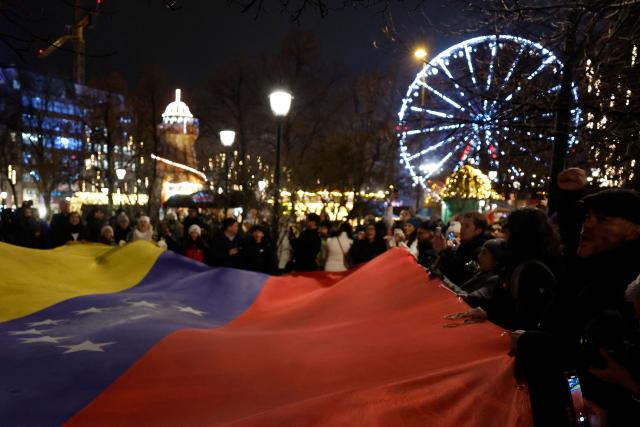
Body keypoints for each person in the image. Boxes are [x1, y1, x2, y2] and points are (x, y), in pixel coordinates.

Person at [515, 177, 640, 426]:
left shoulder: (631, 286)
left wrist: (533, 342)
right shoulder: (587, 271)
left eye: (602, 219)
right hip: (575, 396)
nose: (588, 225)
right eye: (587, 217)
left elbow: (591, 357)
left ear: (635, 231)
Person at [433, 212, 492, 285]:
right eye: (462, 225)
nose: (462, 229)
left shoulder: (482, 250)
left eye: (467, 226)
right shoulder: (465, 244)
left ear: (478, 230)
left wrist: (444, 251)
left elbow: (461, 273)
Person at [458, 238, 507, 307]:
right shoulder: (483, 273)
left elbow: (468, 297)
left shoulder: (494, 280)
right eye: (480, 252)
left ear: (496, 261)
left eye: (484, 253)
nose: (479, 256)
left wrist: (444, 279)